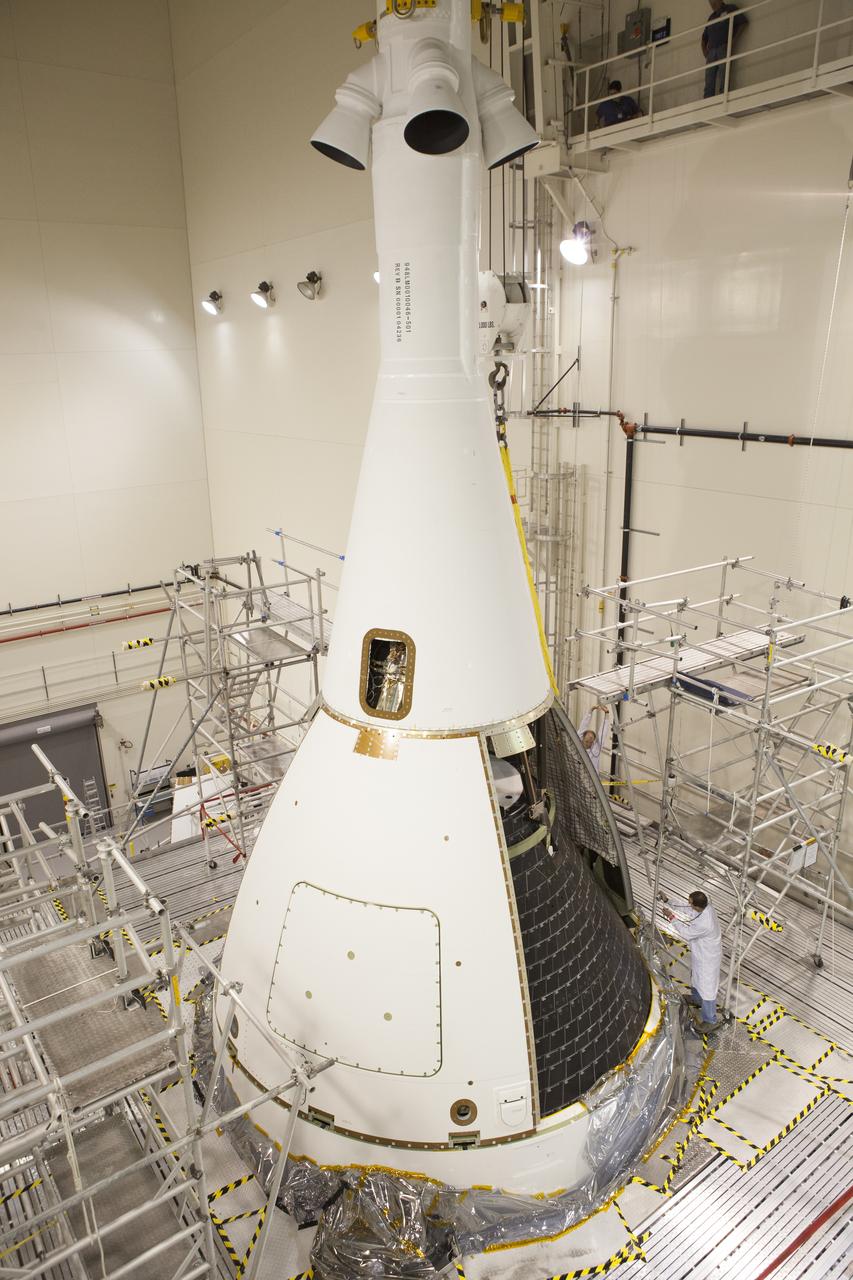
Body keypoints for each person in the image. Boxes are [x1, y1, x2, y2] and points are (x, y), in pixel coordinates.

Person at [660, 890, 722, 1030]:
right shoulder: (705, 907)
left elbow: (686, 933)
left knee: (707, 989)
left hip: (708, 958)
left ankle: (710, 1021)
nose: (688, 904)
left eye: (690, 902)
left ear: (696, 905)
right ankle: (696, 999)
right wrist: (667, 900)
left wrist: (671, 917)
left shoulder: (706, 923)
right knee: (696, 978)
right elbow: (686, 908)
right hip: (700, 954)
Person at [702, 0, 747, 99]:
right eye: (710, 2)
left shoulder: (730, 9)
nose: (711, 4)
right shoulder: (711, 17)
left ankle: (723, 97)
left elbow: (743, 23)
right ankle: (707, 101)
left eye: (713, 1)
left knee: (724, 75)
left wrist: (732, 42)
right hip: (711, 51)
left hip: (723, 47)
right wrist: (705, 51)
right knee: (709, 78)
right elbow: (704, 37)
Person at [579, 703, 611, 774]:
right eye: (587, 741)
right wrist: (591, 710)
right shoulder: (577, 745)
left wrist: (607, 714)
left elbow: (603, 732)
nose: (589, 743)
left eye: (591, 741)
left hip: (592, 779)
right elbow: (583, 725)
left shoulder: (596, 749)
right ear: (583, 738)